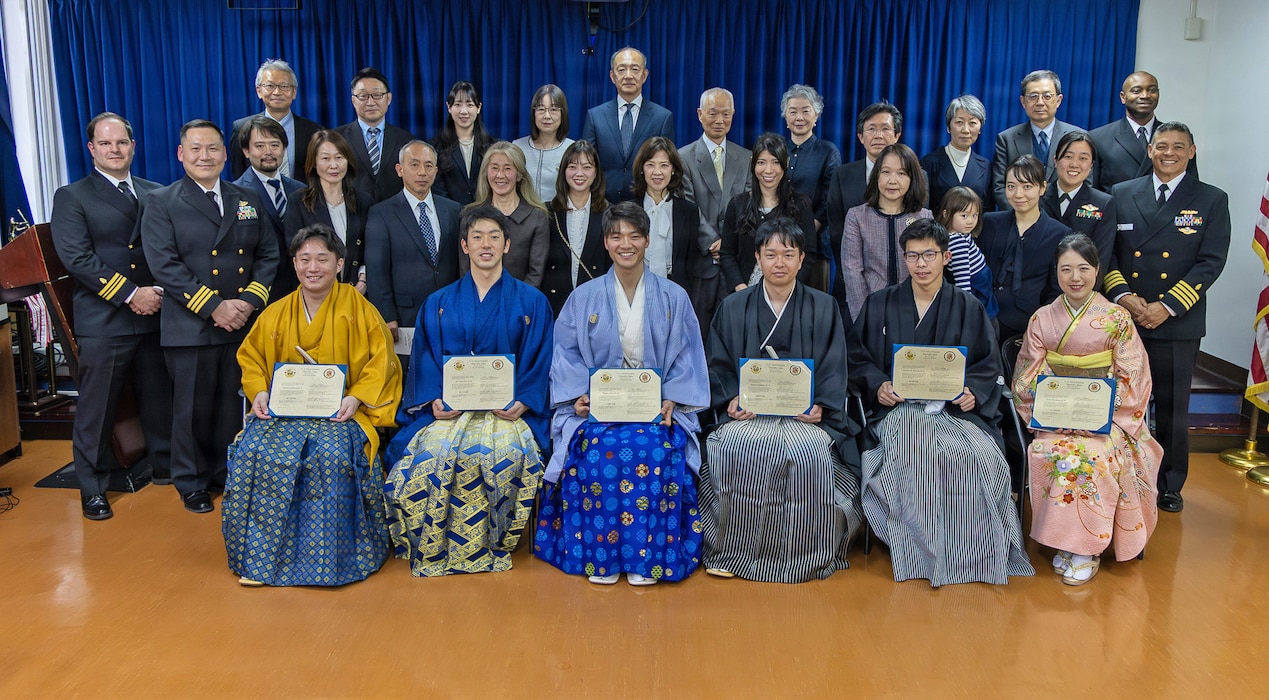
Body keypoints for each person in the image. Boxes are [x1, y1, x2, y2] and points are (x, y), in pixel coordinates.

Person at [848, 218, 1033, 586]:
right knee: (914, 452)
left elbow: (988, 364)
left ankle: (973, 552)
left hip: (955, 413)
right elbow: (857, 358)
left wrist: (972, 392)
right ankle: (920, 551)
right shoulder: (880, 303)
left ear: (946, 257)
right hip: (900, 411)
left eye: (929, 255)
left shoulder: (967, 306)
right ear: (904, 259)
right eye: (913, 256)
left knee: (981, 458)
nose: (921, 264)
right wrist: (878, 385)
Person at [534, 202, 709, 585]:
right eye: (616, 237)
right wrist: (579, 395)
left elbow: (686, 355)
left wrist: (672, 399)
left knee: (655, 449)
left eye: (634, 236)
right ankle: (602, 556)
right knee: (595, 450)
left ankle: (647, 558)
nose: (625, 244)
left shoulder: (673, 296)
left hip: (655, 409)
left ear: (647, 241)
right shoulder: (584, 297)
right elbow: (566, 352)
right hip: (599, 409)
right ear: (606, 242)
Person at [223, 224, 401, 587]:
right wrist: (258, 392)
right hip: (283, 413)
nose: (313, 267)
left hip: (341, 414)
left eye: (322, 258)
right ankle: (259, 560)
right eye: (305, 259)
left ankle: (331, 561)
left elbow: (383, 362)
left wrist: (356, 397)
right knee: (252, 451)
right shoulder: (276, 312)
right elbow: (251, 359)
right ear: (294, 264)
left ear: (339, 264)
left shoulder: (360, 310)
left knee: (331, 456)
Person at [384, 206, 553, 576]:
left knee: (503, 456)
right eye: (477, 237)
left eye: (494, 236)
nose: (486, 244)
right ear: (464, 245)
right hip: (450, 411)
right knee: (430, 457)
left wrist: (524, 400)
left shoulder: (532, 302)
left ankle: (495, 544)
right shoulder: (440, 302)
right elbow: (426, 357)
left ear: (507, 245)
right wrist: (434, 399)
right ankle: (433, 545)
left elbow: (540, 359)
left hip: (507, 412)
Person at [701, 217, 862, 583]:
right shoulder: (734, 306)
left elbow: (835, 364)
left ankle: (806, 553)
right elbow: (717, 362)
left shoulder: (823, 306)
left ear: (802, 259)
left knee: (809, 454)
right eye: (770, 254)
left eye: (788, 254)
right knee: (734, 448)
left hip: (805, 419)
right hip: (749, 416)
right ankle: (732, 550)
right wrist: (730, 398)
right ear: (757, 258)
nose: (779, 263)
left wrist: (821, 403)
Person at [140, 119, 279, 514]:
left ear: (224, 153)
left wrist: (249, 302)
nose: (206, 156)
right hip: (191, 324)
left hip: (241, 322)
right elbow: (164, 265)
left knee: (228, 407)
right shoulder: (162, 201)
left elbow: (268, 254)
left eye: (213, 148)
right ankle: (191, 481)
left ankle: (225, 472)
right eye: (197, 149)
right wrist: (214, 306)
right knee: (192, 409)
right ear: (182, 154)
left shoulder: (245, 196)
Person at [1011, 234, 1160, 585]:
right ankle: (1066, 541)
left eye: (1083, 268)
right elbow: (1027, 375)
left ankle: (1086, 549)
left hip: (1107, 417)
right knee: (1051, 448)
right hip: (1057, 415)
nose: (1074, 277)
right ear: (1056, 272)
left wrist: (1103, 415)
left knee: (1089, 454)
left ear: (1097, 270)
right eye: (1066, 269)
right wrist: (1052, 413)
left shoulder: (1117, 318)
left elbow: (1133, 375)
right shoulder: (1042, 319)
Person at [49, 112, 172, 520]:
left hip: (154, 314)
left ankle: (166, 468)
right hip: (106, 319)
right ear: (92, 149)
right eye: (105, 144)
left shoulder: (156, 192)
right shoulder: (72, 196)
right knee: (97, 410)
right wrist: (131, 293)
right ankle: (93, 486)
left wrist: (155, 293)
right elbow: (77, 259)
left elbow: (165, 252)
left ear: (133, 146)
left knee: (158, 400)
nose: (114, 150)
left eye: (121, 142)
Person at [1105, 122, 1230, 513]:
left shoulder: (1210, 198)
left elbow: (1211, 261)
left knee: (1173, 407)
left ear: (1192, 151)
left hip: (1178, 321)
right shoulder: (1122, 194)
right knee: (1124, 402)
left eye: (1178, 146)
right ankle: (1121, 474)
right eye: (1162, 145)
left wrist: (1168, 306)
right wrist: (1125, 297)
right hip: (1129, 319)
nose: (1169, 152)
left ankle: (1170, 482)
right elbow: (1107, 253)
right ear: (1150, 150)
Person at [364, 140, 463, 368]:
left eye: (429, 166)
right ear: (400, 170)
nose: (422, 172)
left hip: (448, 312)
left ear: (436, 171)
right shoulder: (381, 213)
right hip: (404, 316)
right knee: (411, 375)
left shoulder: (453, 209)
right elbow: (377, 271)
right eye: (414, 164)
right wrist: (387, 316)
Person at [679, 87, 750, 335]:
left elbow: (749, 208)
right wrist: (713, 241)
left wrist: (729, 245)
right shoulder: (683, 158)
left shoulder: (748, 159)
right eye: (712, 114)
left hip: (737, 264)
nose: (719, 121)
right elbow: (687, 207)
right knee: (698, 332)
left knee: (735, 333)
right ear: (700, 114)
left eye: (726, 114)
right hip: (701, 261)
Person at [978, 155, 1071, 339]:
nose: (1018, 194)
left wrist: (1040, 325)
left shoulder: (1060, 234)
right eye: (1011, 186)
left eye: (1027, 186)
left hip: (1029, 326)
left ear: (1042, 188)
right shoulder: (989, 222)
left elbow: (1057, 289)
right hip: (984, 320)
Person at [826, 101, 903, 317]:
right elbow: (836, 231)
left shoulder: (916, 177)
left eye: (885, 128)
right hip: (851, 282)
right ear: (860, 136)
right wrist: (855, 275)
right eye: (871, 129)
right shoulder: (842, 175)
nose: (878, 135)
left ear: (897, 135)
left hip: (901, 287)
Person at [841, 143, 933, 322]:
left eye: (901, 173)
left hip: (914, 310)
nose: (892, 180)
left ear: (912, 178)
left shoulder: (924, 216)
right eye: (886, 172)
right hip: (870, 308)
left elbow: (928, 269)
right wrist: (864, 319)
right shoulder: (857, 216)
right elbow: (852, 272)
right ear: (876, 176)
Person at [719, 133, 820, 294]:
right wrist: (740, 288)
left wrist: (787, 287)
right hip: (743, 295)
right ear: (752, 163)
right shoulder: (738, 204)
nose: (768, 170)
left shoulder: (801, 205)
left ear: (785, 163)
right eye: (761, 162)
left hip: (787, 295)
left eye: (775, 162)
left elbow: (809, 254)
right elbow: (727, 253)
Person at [581, 47, 675, 204]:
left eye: (635, 69)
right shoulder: (595, 116)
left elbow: (667, 165)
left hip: (646, 205)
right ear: (612, 76)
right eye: (622, 69)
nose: (628, 76)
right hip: (603, 206)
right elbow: (587, 163)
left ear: (644, 75)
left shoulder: (662, 117)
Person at [283, 130, 371, 291]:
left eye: (339, 157)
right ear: (314, 163)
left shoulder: (363, 201)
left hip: (357, 292)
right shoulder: (299, 201)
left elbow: (371, 247)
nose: (333, 165)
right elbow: (294, 250)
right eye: (325, 158)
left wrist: (363, 281)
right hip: (316, 292)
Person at [232, 115, 304, 299]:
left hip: (301, 288)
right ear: (246, 151)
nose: (268, 152)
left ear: (284, 149)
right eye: (260, 146)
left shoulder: (301, 190)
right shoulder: (235, 194)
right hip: (261, 291)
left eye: (274, 145)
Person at [990, 70, 1083, 210]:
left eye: (1047, 96)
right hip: (1020, 220)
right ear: (1023, 101)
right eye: (1033, 96)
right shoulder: (1007, 139)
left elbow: (1085, 183)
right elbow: (999, 186)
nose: (1040, 102)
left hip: (1065, 220)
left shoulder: (1079, 137)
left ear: (1058, 100)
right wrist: (1024, 215)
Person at [459, 142, 549, 287]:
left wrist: (516, 303)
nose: (500, 175)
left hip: (520, 303)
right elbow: (465, 269)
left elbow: (536, 273)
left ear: (519, 175)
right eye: (494, 168)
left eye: (507, 168)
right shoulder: (470, 215)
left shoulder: (537, 217)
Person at [1090, 71, 1198, 190]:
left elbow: (1191, 186)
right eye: (1136, 91)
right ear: (1123, 97)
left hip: (1168, 206)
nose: (1145, 95)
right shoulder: (1098, 138)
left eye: (1152, 90)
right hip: (1117, 207)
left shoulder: (1179, 137)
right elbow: (1092, 192)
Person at [541, 140, 610, 316]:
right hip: (554, 305)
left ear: (596, 173)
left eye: (587, 167)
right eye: (572, 167)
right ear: (564, 171)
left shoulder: (610, 214)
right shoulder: (547, 212)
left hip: (597, 306)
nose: (579, 173)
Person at [227, 59, 323, 184]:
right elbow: (239, 175)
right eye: (270, 86)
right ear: (259, 91)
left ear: (294, 92)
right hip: (256, 200)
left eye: (284, 86)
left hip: (302, 200)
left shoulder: (314, 131)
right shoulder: (241, 127)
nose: (277, 92)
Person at [631, 136, 702, 293]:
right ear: (642, 169)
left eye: (664, 165)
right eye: (650, 165)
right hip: (633, 288)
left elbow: (690, 264)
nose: (657, 172)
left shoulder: (689, 212)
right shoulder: (628, 210)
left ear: (673, 169)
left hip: (675, 291)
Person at [335, 67, 415, 203]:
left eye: (377, 95)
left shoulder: (406, 140)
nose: (370, 102)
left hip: (394, 215)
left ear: (388, 98)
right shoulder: (336, 138)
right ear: (353, 100)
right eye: (363, 96)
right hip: (351, 213)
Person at [1039, 131, 1116, 264]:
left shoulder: (1103, 203)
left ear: (1091, 166)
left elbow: (1100, 259)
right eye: (1068, 156)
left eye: (1083, 158)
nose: (1074, 164)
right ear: (1055, 160)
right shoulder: (1038, 196)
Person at [781, 84, 840, 233]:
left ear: (816, 116)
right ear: (786, 116)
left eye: (806, 111)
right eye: (793, 112)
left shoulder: (828, 151)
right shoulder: (777, 149)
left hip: (814, 236)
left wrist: (812, 226)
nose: (799, 118)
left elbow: (831, 196)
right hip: (775, 234)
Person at [934, 186, 997, 318]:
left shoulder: (961, 233)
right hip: (975, 285)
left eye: (975, 215)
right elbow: (962, 280)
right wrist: (968, 307)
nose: (971, 221)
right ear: (946, 214)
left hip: (981, 281)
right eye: (964, 216)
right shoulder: (957, 242)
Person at [921, 94, 991, 212]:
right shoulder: (929, 163)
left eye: (972, 123)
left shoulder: (986, 167)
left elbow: (989, 211)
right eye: (959, 122)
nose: (965, 130)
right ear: (948, 127)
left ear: (980, 129)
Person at [432, 81, 496, 207]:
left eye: (470, 105)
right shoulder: (436, 146)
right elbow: (437, 189)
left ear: (479, 108)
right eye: (457, 104)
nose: (464, 111)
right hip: (450, 216)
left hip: (487, 215)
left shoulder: (493, 146)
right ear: (449, 107)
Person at [513, 84, 575, 204]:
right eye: (541, 109)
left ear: (563, 113)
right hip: (521, 218)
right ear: (533, 113)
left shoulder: (572, 149)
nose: (547, 116)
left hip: (558, 217)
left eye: (553, 110)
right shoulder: (517, 147)